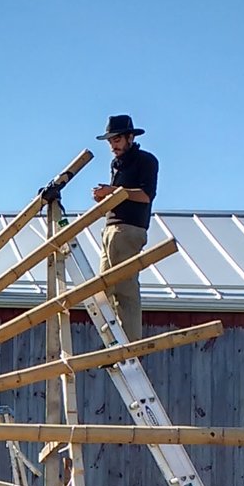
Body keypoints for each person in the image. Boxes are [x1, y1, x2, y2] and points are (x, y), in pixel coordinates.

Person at [88, 112, 159, 341]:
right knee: (104, 288)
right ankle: (112, 341)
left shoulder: (146, 161)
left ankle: (129, 345)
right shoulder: (116, 164)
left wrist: (114, 193)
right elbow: (121, 195)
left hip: (129, 229)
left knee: (125, 289)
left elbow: (146, 195)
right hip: (109, 228)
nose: (112, 146)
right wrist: (105, 197)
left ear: (130, 138)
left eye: (116, 140)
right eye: (110, 141)